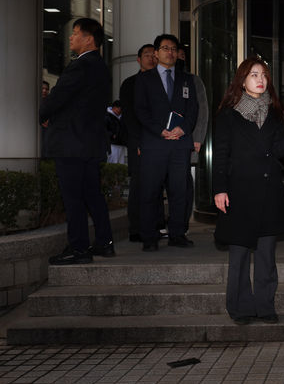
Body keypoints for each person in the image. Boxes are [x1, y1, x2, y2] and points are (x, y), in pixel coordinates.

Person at [213, 57, 284, 324]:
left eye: (264, 75)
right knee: (238, 256)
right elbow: (221, 155)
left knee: (266, 255)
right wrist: (219, 189)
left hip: (269, 191)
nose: (261, 80)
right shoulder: (228, 114)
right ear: (242, 81)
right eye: (254, 75)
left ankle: (265, 306)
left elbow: (278, 149)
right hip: (238, 191)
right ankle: (240, 308)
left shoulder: (273, 113)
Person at [39, 18, 115, 264]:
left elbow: (59, 96)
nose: (71, 37)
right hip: (89, 143)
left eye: (75, 33)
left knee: (73, 197)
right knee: (92, 194)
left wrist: (42, 113)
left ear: (88, 39)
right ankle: (104, 243)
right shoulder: (100, 67)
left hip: (72, 143)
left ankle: (79, 248)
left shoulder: (81, 65)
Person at [135, 34, 198, 251]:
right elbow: (140, 111)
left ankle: (177, 234)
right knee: (150, 191)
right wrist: (160, 130)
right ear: (156, 53)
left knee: (179, 191)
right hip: (154, 143)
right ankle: (149, 237)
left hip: (180, 143)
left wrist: (183, 129)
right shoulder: (144, 79)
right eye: (165, 48)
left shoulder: (187, 79)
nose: (170, 52)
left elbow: (193, 110)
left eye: (173, 48)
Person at [119, 44, 157, 242]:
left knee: (157, 185)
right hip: (139, 142)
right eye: (146, 55)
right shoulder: (130, 84)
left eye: (153, 54)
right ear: (139, 59)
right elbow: (130, 117)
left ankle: (155, 227)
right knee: (139, 185)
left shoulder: (162, 82)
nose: (150, 58)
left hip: (159, 142)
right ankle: (136, 229)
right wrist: (140, 142)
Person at [177, 45, 209, 231]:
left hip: (186, 142)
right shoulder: (157, 80)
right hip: (162, 143)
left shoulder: (192, 81)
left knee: (184, 184)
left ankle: (181, 224)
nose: (177, 57)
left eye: (181, 54)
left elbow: (202, 111)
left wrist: (197, 139)